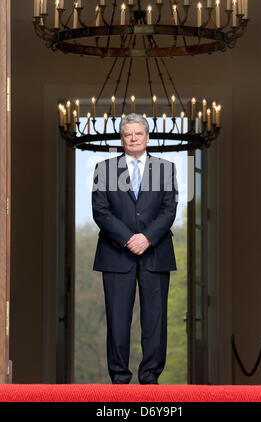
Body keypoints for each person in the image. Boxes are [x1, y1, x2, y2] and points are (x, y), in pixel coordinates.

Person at [91, 113, 178, 384]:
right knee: (117, 319)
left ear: (147, 137)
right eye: (128, 134)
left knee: (154, 320)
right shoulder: (104, 169)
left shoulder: (166, 169)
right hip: (116, 254)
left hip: (156, 253)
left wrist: (147, 238)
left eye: (138, 133)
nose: (133, 138)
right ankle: (119, 377)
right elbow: (100, 212)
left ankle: (150, 376)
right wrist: (129, 238)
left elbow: (169, 210)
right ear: (121, 138)